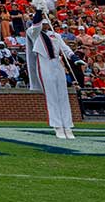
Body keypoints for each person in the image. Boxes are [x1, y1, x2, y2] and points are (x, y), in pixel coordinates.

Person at [26, 10, 78, 139]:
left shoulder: (55, 35)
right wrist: (38, 9)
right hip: (44, 63)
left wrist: (74, 57)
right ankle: (57, 126)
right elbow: (36, 26)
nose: (45, 25)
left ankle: (67, 126)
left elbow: (65, 48)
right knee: (52, 96)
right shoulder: (33, 33)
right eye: (43, 22)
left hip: (57, 64)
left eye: (46, 22)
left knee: (63, 95)